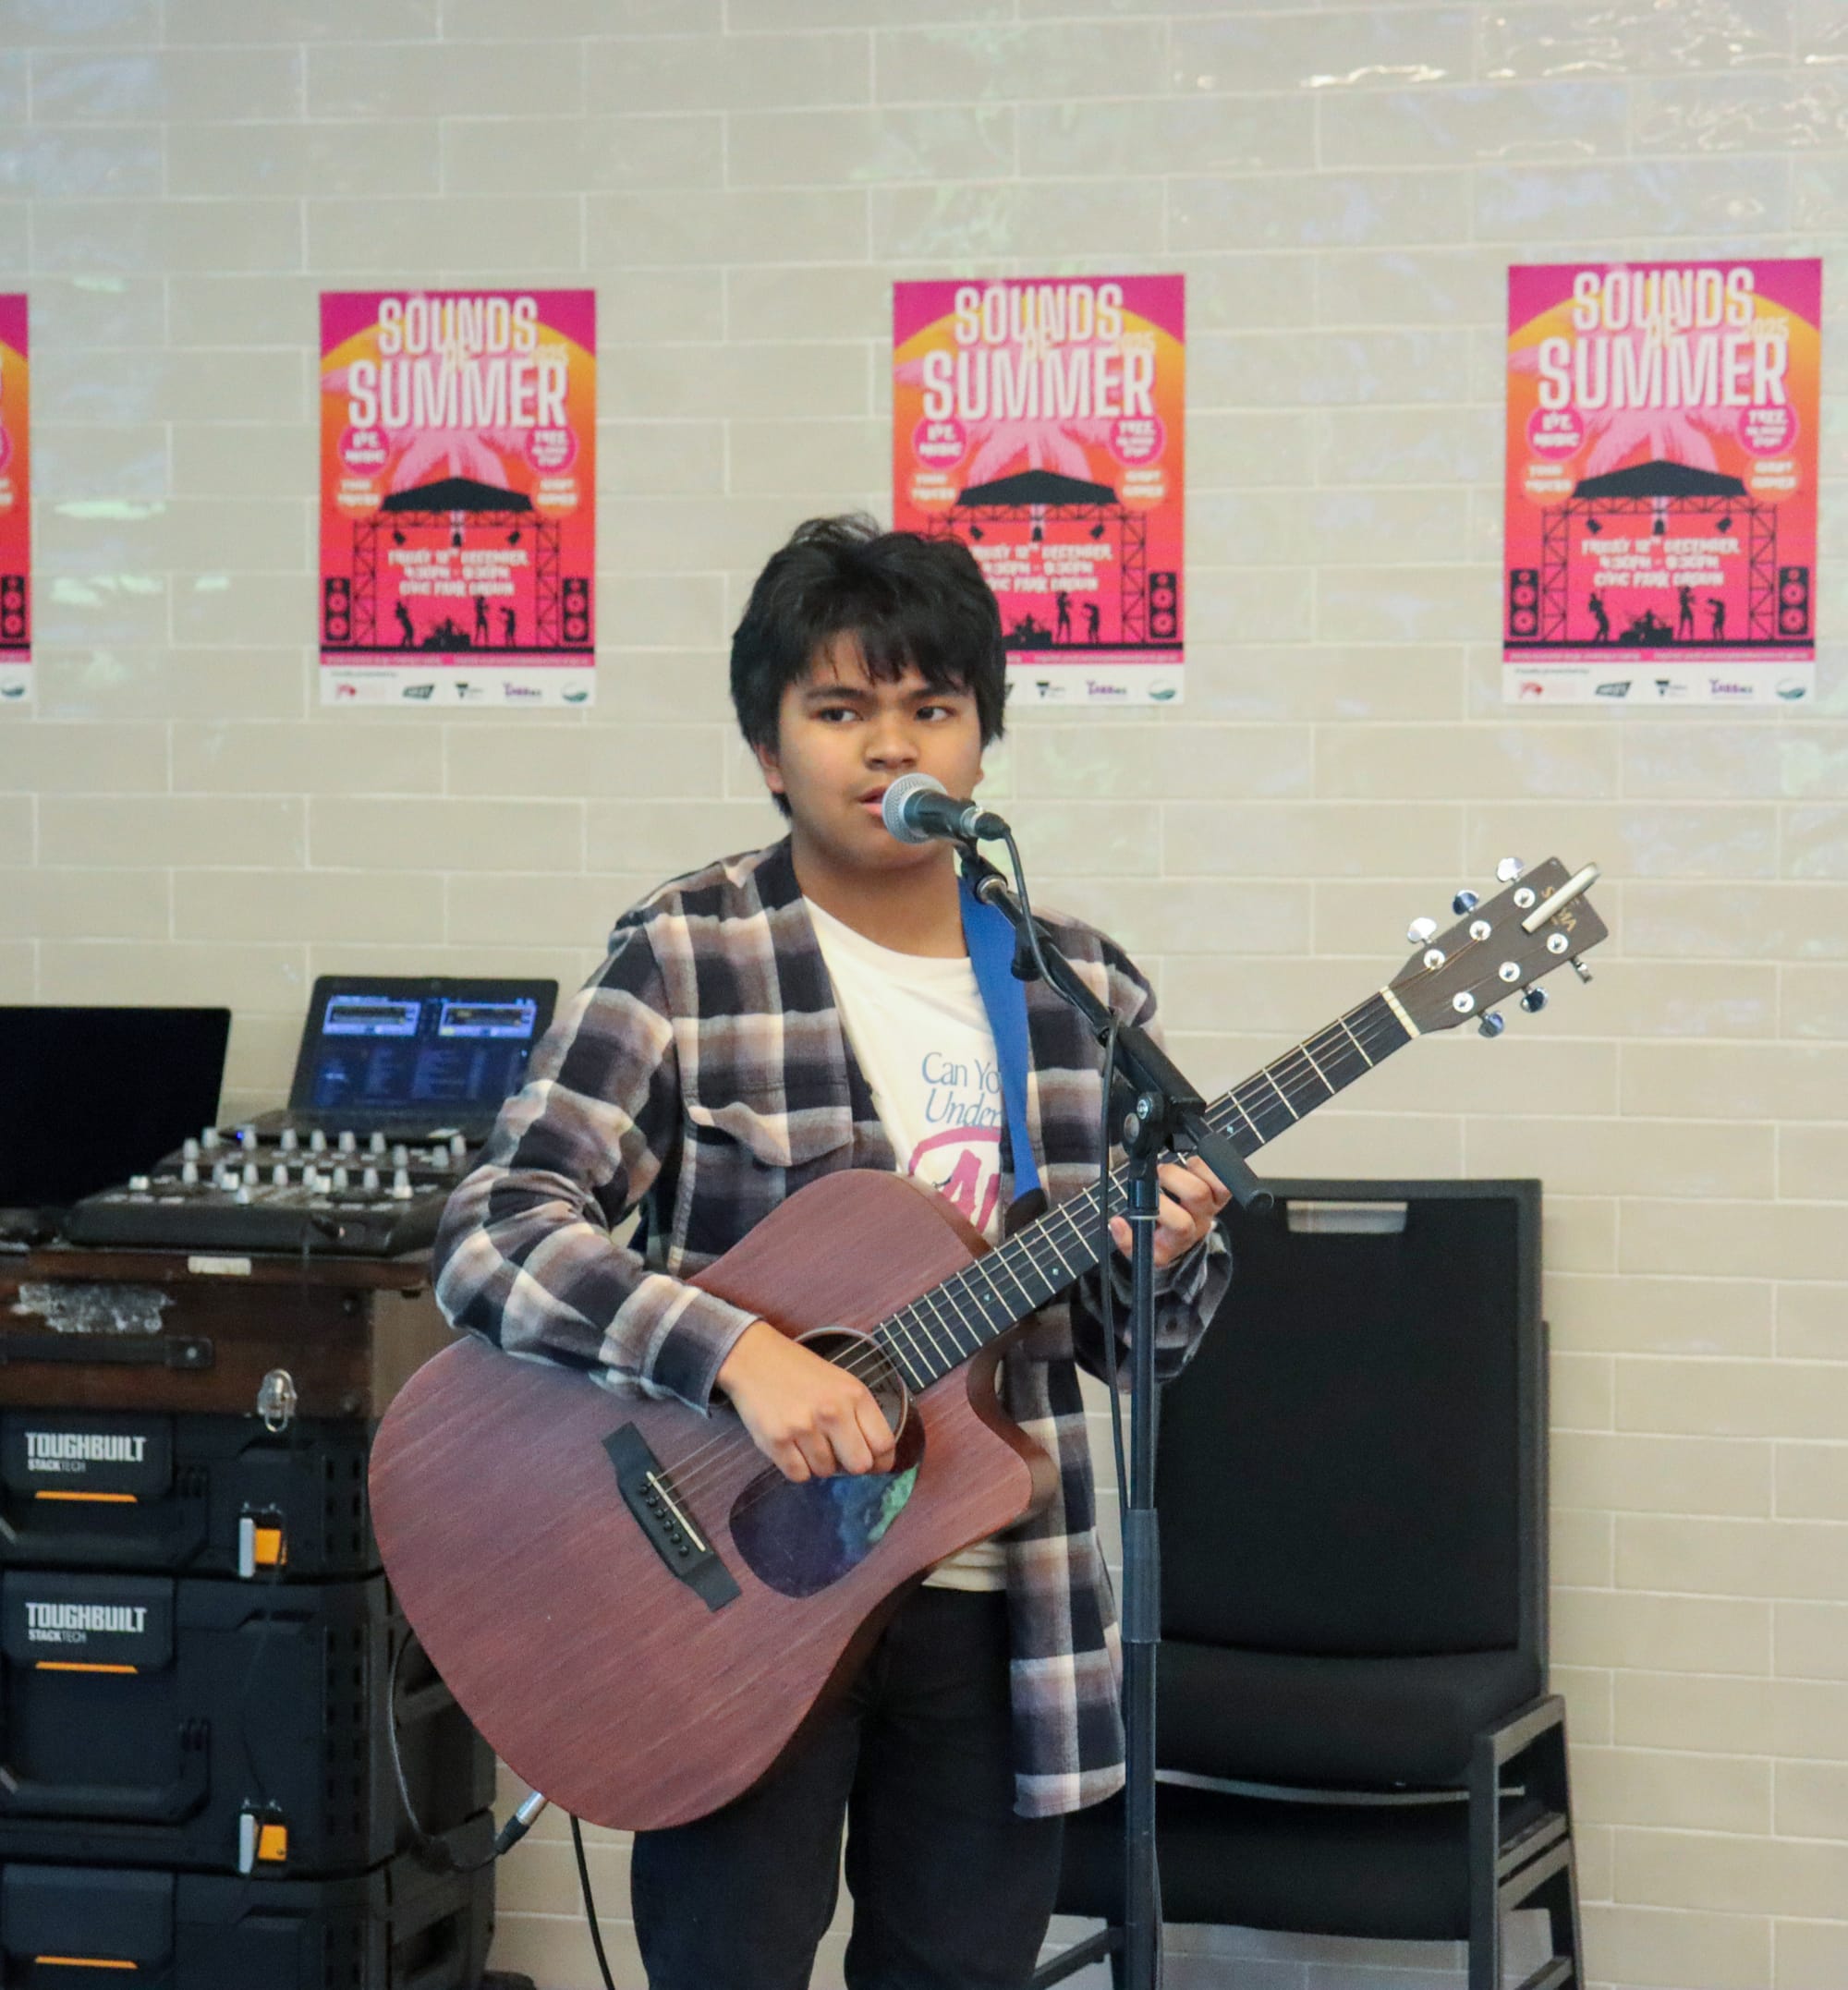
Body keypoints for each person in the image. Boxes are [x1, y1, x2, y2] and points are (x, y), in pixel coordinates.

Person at [432, 516, 1232, 1990]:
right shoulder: (689, 957)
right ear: (768, 745)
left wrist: (1160, 1249)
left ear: (983, 742)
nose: (889, 746)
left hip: (1001, 1599)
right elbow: (495, 1237)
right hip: (732, 1604)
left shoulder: (1080, 986)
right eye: (840, 708)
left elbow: (1138, 1351)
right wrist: (742, 1355)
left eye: (931, 706)